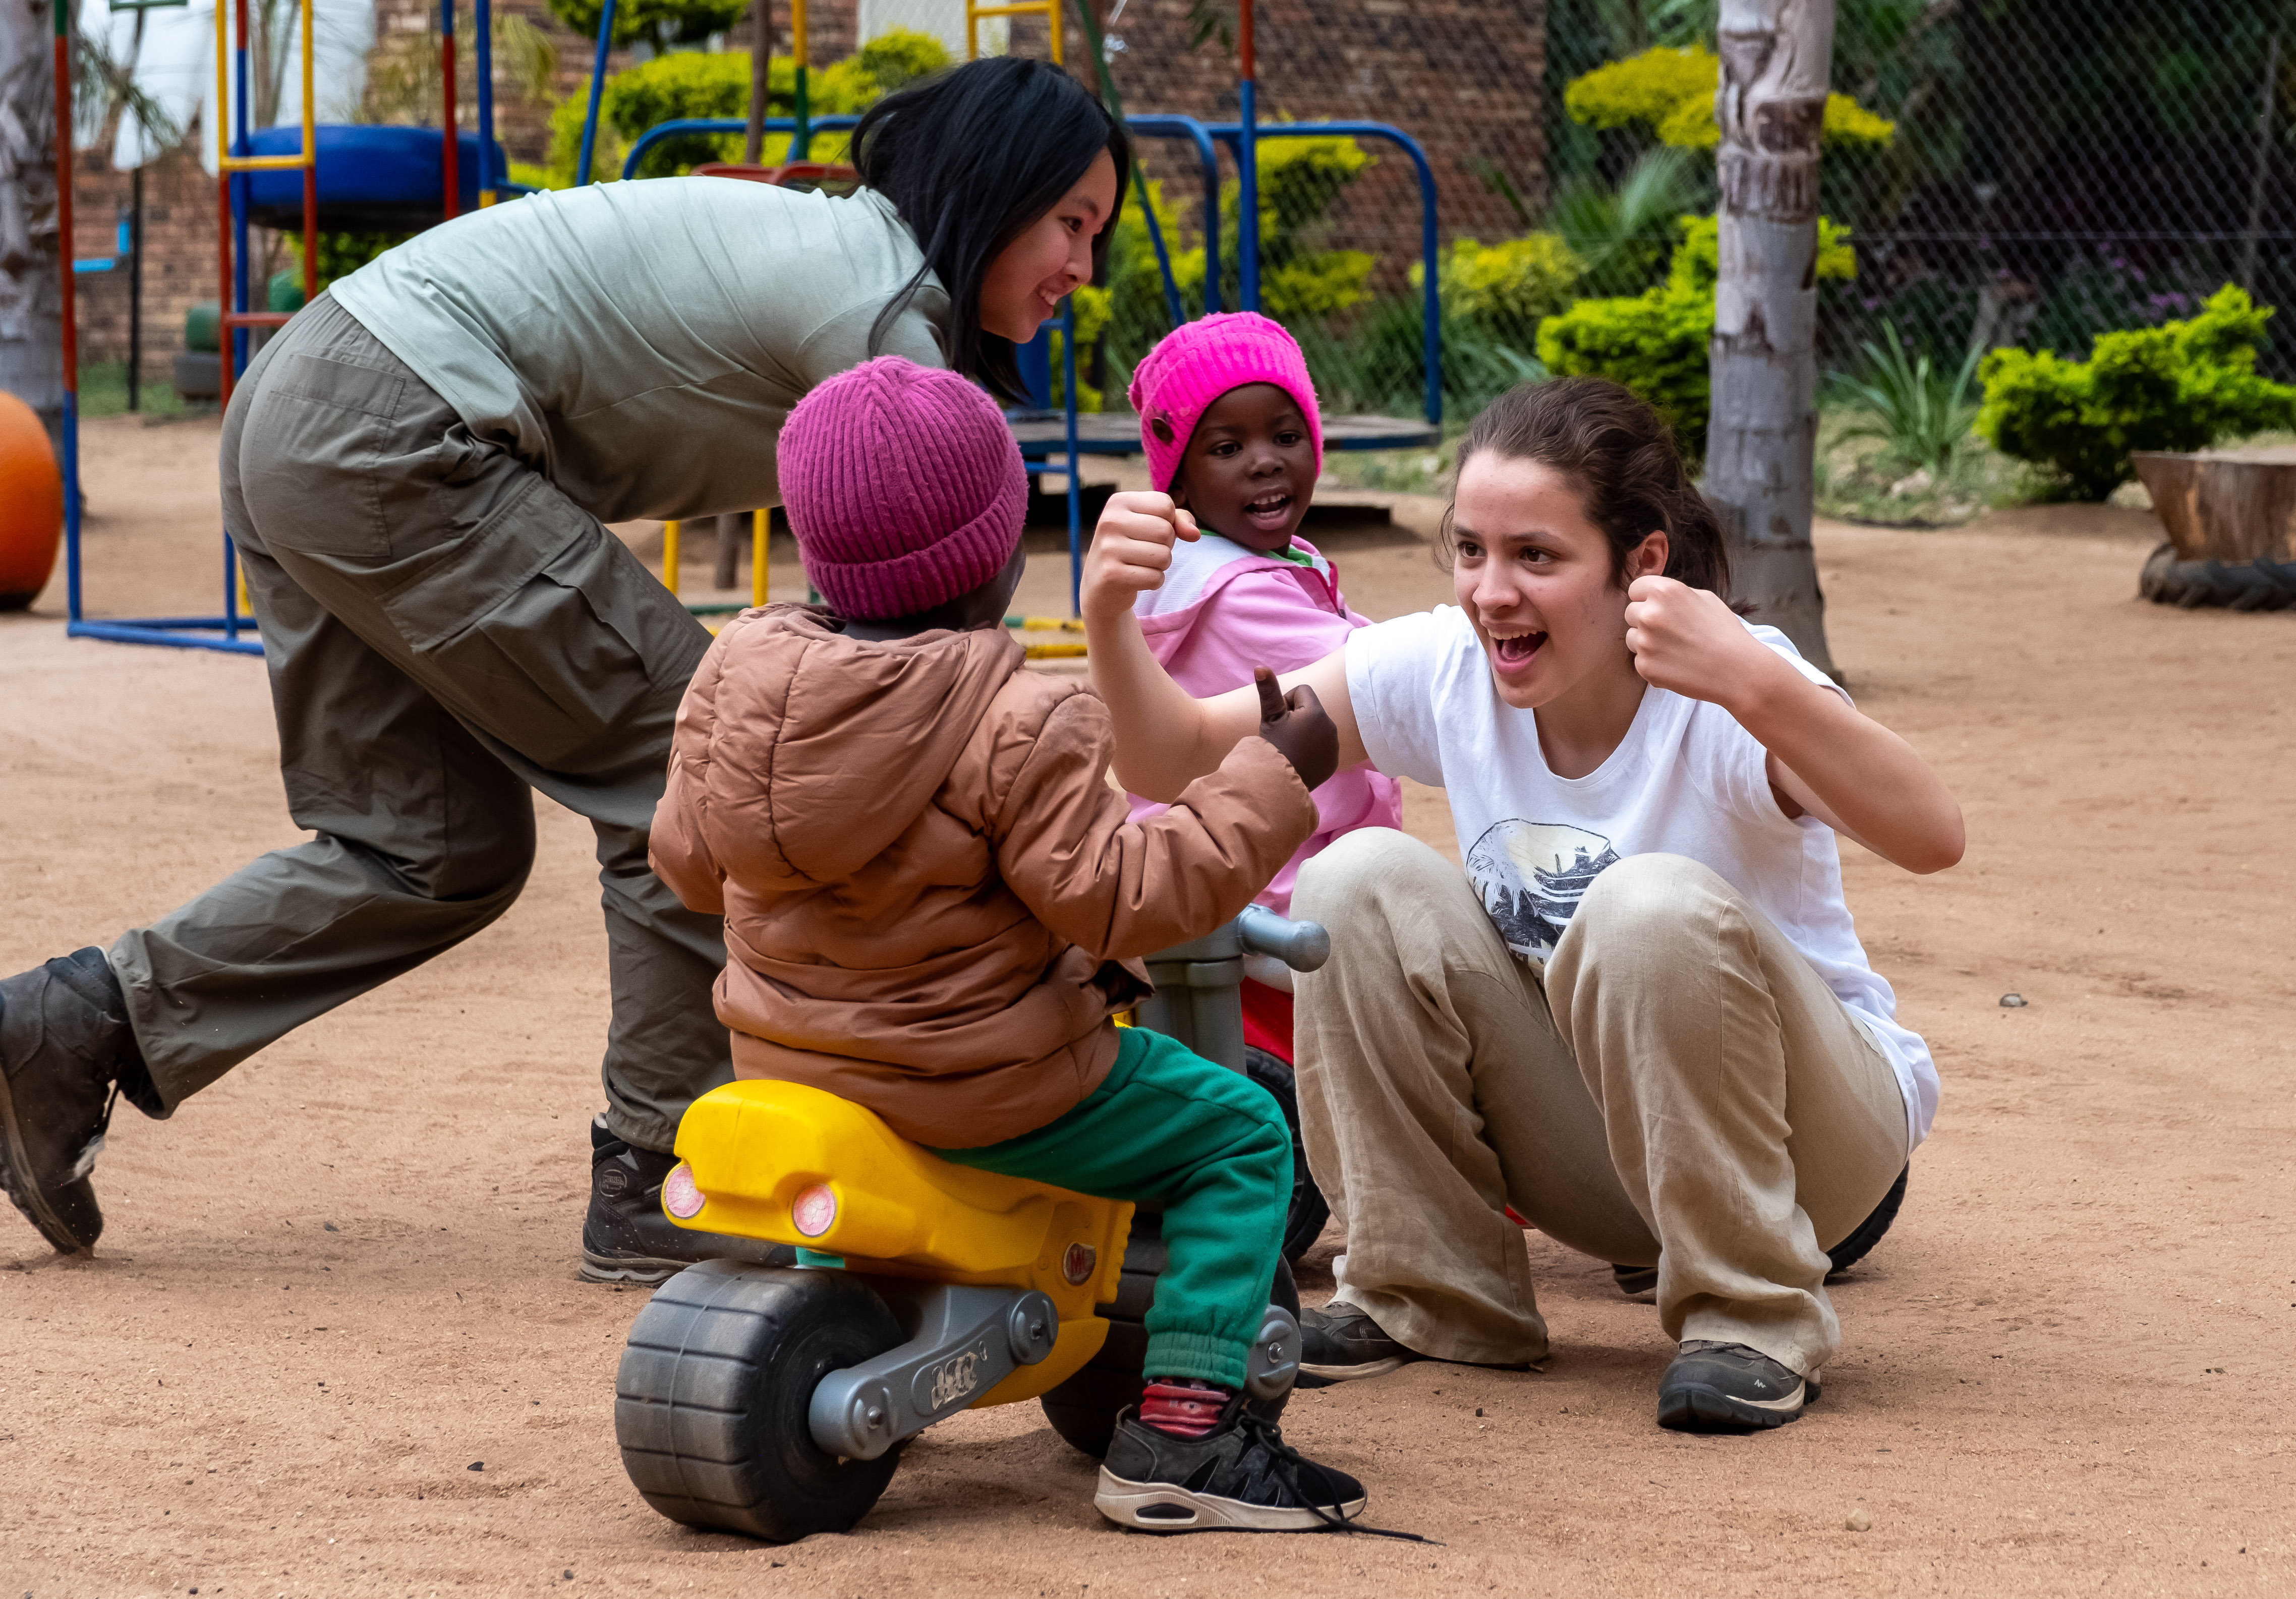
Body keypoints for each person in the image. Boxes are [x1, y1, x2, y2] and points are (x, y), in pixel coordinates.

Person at [0, 57, 1129, 1282]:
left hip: (304, 406)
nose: (1083, 267)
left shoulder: (847, 268)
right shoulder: (877, 315)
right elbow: (923, 644)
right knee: (696, 768)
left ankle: (67, 1027)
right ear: (995, 187)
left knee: (425, 850)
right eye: (1071, 222)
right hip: (401, 432)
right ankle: (658, 1171)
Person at [1078, 376, 1965, 1434]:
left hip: (1816, 1149)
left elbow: (1930, 834)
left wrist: (1752, 680)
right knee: (1354, 875)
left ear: (1640, 563)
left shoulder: (1727, 684)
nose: (1489, 590)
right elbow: (1177, 753)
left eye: (1535, 556)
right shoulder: (1445, 667)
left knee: (1641, 905)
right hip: (1615, 1160)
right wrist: (1107, 613)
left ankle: (1752, 1312)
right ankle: (1427, 1288)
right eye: (1469, 550)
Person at [650, 354, 1371, 1531]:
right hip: (988, 1083)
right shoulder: (1016, 714)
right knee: (1242, 1130)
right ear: (997, 552)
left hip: (786, 1058)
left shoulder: (734, 672)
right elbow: (1122, 902)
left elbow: (683, 861)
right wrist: (1268, 775)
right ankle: (1191, 1434)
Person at [1119, 312, 1399, 1062]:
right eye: (1227, 447)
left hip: (1235, 863)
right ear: (1178, 478)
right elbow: (1380, 676)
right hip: (1273, 886)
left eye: (1285, 435)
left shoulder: (1231, 558)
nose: (1265, 462)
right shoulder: (1237, 591)